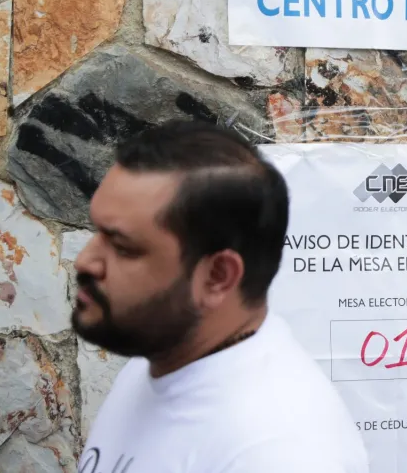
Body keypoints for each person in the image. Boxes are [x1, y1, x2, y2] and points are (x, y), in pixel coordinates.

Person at [72, 120, 369, 473]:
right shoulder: (157, 359)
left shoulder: (282, 452)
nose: (85, 261)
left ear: (217, 277)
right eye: (97, 232)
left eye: (122, 247)